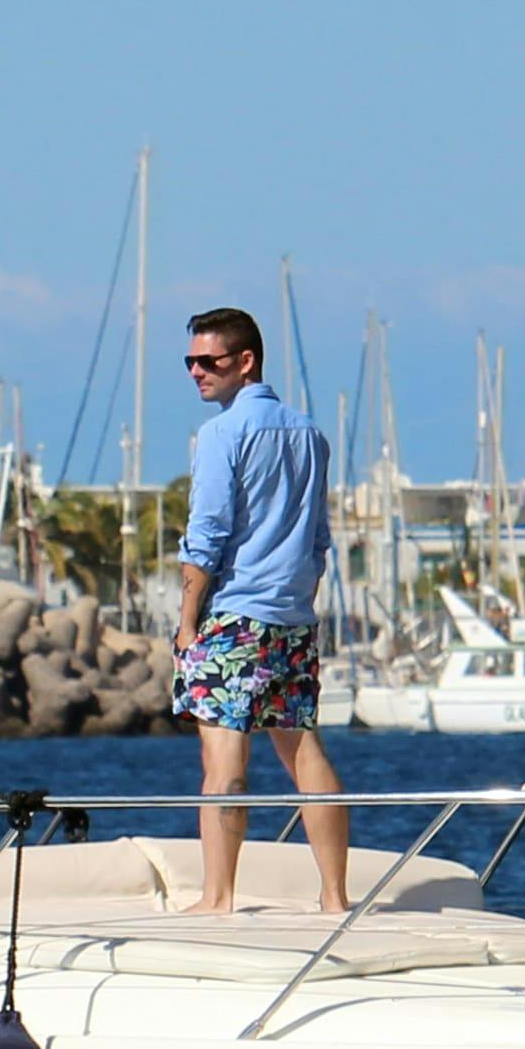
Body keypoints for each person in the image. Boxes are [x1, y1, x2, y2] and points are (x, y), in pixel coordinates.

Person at [172, 305, 350, 914]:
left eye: (209, 361)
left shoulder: (222, 434)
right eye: (190, 361)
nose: (197, 372)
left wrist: (188, 619)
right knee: (303, 750)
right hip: (293, 618)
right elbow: (319, 537)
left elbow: (208, 533)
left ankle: (216, 897)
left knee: (223, 757)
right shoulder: (309, 433)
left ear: (245, 361)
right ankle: (335, 897)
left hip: (234, 616)